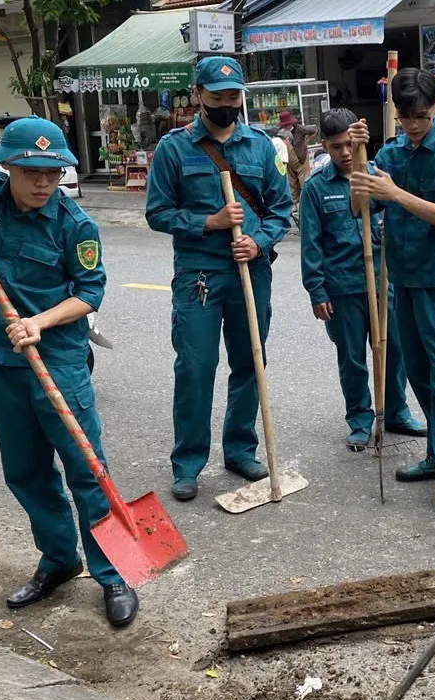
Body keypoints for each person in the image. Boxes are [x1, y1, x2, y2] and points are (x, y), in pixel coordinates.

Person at [0, 116, 138, 628]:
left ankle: (113, 572)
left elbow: (89, 293)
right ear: (7, 167)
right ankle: (60, 559)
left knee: (86, 468)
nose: (43, 182)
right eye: (31, 171)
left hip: (58, 360)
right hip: (1, 359)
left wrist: (39, 321)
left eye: (53, 172)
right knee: (26, 470)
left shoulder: (75, 225)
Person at [146, 57, 293, 502]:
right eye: (217, 97)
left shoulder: (262, 147)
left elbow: (281, 209)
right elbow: (157, 212)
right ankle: (189, 462)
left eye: (234, 97)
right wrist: (207, 222)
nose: (227, 105)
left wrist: (260, 242)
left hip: (251, 269)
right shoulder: (175, 148)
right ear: (199, 96)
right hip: (199, 274)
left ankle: (240, 449)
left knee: (250, 361)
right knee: (195, 367)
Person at [348, 68, 435, 528]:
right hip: (400, 280)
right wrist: (359, 170)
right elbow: (362, 208)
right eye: (404, 118)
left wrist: (395, 193)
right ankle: (434, 456)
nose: (412, 125)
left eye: (420, 116)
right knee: (419, 375)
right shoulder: (389, 152)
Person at [299, 107, 426, 450]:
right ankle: (359, 418)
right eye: (337, 146)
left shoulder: (377, 177)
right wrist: (316, 289)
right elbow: (310, 244)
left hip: (384, 282)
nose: (344, 153)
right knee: (352, 357)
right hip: (342, 286)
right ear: (325, 145)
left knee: (394, 350)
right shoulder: (315, 189)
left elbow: (402, 221)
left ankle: (396, 411)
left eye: (349, 146)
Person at [279, 109, 318, 210]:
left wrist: (306, 142)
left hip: (301, 160)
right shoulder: (282, 133)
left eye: (286, 125)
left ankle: (307, 203)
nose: (285, 127)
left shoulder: (299, 129)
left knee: (304, 182)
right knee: (292, 183)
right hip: (289, 161)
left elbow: (314, 130)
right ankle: (295, 204)